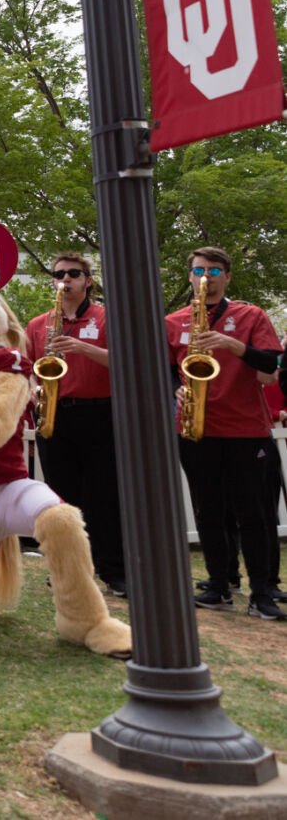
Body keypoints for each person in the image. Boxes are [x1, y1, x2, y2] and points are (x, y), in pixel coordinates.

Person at [166, 247, 283, 619]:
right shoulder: (174, 321)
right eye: (199, 270)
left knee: (253, 515)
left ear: (227, 276)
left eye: (214, 271)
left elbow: (270, 363)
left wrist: (234, 346)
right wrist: (176, 389)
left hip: (246, 429)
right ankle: (219, 586)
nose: (206, 277)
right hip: (196, 428)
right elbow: (165, 368)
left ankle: (262, 592)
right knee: (208, 512)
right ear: (190, 276)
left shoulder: (250, 315)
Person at [25, 252, 124, 597]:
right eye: (59, 275)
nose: (65, 280)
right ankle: (67, 570)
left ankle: (114, 571)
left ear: (88, 281)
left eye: (73, 274)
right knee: (62, 500)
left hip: (100, 413)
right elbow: (26, 368)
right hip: (55, 413)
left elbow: (126, 362)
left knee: (104, 496)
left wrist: (82, 348)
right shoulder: (39, 324)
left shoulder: (107, 318)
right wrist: (33, 389)